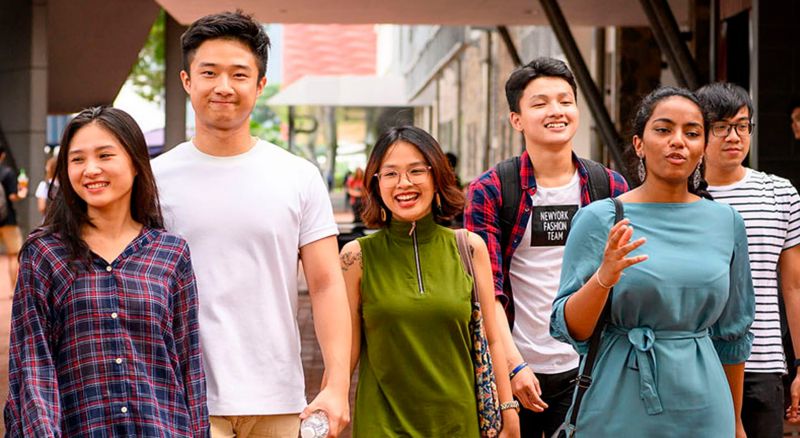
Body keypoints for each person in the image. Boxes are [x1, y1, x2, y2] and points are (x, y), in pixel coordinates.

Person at [151, 11, 351, 438]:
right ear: (187, 80)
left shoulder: (298, 176)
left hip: (278, 397)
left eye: (239, 74)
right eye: (209, 72)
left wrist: (336, 385)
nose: (224, 86)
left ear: (260, 85)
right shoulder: (153, 180)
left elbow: (326, 284)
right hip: (185, 395)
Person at [550, 86, 755, 436]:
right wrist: (604, 278)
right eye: (663, 130)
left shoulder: (727, 222)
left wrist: (735, 422)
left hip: (705, 406)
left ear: (703, 148)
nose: (678, 141)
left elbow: (732, 334)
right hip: (617, 398)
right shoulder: (601, 219)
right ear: (639, 144)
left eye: (691, 133)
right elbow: (569, 328)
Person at [3, 106, 209, 436]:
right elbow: (32, 363)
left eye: (105, 155)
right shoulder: (45, 253)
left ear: (136, 162)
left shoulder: (171, 253)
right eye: (77, 159)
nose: (91, 169)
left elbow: (189, 364)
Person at [465, 57, 628, 437]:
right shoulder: (490, 190)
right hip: (515, 367)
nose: (556, 111)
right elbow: (485, 291)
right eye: (540, 103)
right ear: (516, 119)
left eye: (565, 101)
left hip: (589, 368)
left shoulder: (610, 187)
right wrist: (512, 366)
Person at [339, 125, 520, 437]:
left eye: (416, 171)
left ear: (436, 176)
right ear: (376, 183)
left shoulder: (469, 247)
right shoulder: (356, 257)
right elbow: (346, 348)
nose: (404, 183)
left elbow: (493, 339)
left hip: (459, 423)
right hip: (381, 425)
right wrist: (334, 396)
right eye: (390, 174)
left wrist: (508, 409)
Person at [697, 82, 800, 436]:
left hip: (763, 363)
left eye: (742, 126)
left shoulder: (780, 193)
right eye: (722, 127)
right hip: (696, 360)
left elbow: (794, 287)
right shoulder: (681, 195)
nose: (734, 136)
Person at [0, 145, 28, 290]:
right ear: (3, 155)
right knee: (13, 255)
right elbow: (12, 196)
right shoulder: (7, 172)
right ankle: (13, 290)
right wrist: (21, 193)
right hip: (8, 220)